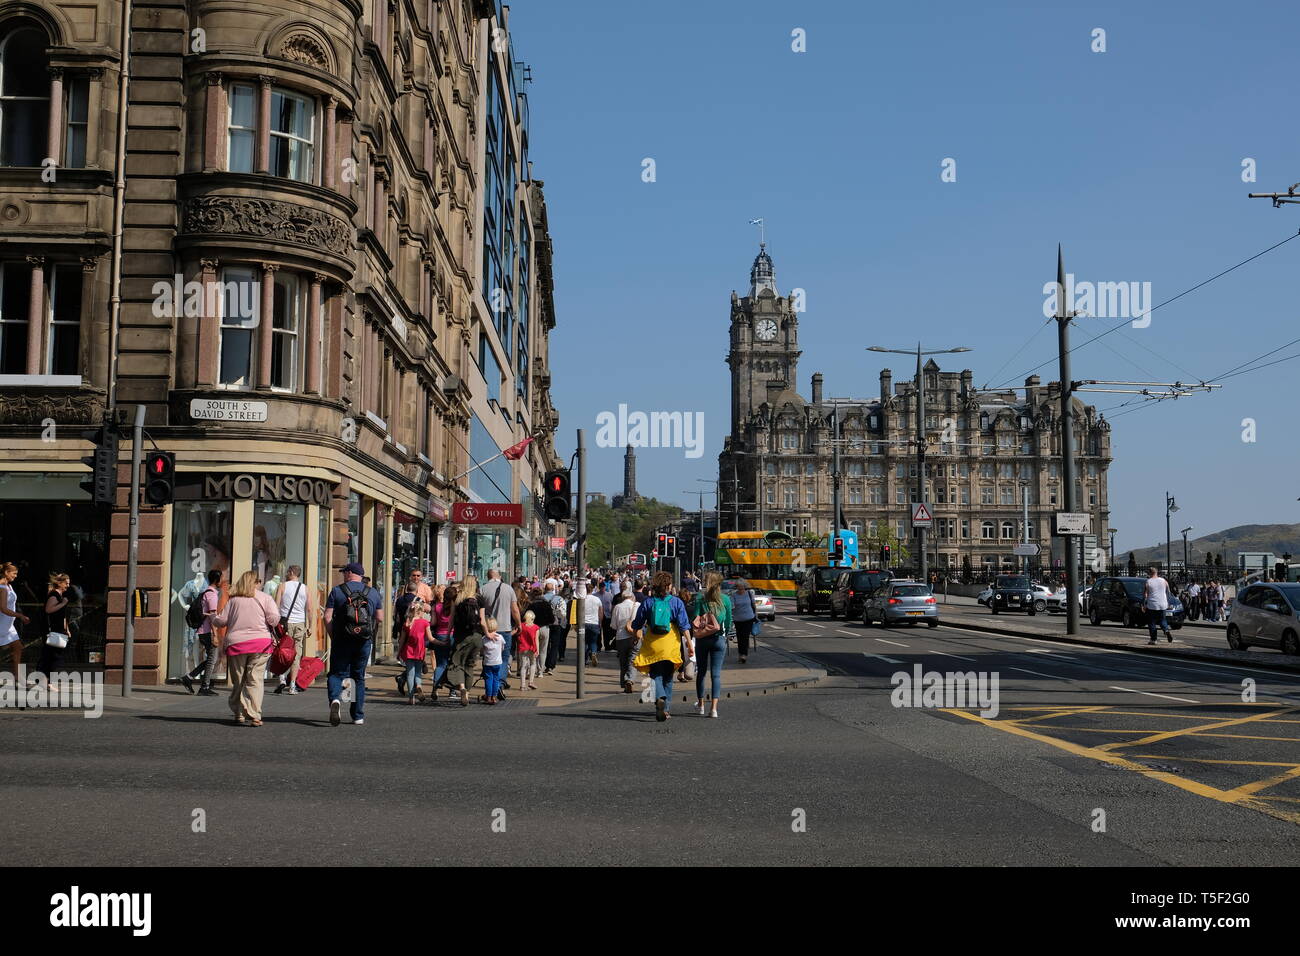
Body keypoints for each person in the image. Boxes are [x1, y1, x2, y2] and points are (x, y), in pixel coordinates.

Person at [211, 571, 279, 727]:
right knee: (255, 679)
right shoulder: (265, 598)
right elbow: (274, 620)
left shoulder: (233, 601)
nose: (260, 583)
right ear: (255, 582)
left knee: (238, 681)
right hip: (261, 644)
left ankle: (239, 713)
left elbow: (221, 621)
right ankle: (255, 714)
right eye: (259, 580)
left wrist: (212, 617)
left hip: (237, 644)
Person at [324, 562, 384, 726]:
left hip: (342, 639)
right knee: (358, 676)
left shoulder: (337, 591)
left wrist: (333, 636)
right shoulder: (372, 592)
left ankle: (335, 700)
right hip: (363, 640)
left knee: (336, 673)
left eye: (344, 572)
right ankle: (357, 715)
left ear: (350, 573)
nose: (343, 575)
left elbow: (327, 617)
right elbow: (380, 618)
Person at [631, 571, 692, 721]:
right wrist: (690, 645)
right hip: (670, 644)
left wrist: (635, 636)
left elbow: (637, 624)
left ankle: (659, 697)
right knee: (668, 677)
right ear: (669, 586)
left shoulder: (648, 602)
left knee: (655, 674)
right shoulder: (677, 602)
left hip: (653, 644)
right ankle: (666, 709)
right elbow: (684, 626)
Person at [692, 572, 733, 718]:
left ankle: (701, 705)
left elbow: (695, 618)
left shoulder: (700, 598)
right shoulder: (726, 600)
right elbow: (728, 621)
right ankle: (714, 709)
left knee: (701, 673)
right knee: (716, 675)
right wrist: (725, 634)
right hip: (719, 640)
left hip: (703, 639)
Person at [444, 576, 485, 707]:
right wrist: (488, 633)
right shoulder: (479, 599)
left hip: (461, 636)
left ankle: (461, 687)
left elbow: (451, 619)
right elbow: (483, 621)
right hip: (477, 635)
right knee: (470, 664)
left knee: (456, 663)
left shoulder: (457, 598)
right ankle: (467, 692)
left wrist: (447, 635)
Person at [182, 569, 224, 695]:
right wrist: (215, 635)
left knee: (211, 658)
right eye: (221, 578)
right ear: (217, 580)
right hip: (207, 631)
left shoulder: (207, 592)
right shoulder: (212, 594)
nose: (222, 580)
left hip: (203, 630)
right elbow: (212, 616)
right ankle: (204, 687)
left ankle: (189, 678)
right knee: (212, 659)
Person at [273, 565, 313, 695]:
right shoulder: (305, 588)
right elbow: (310, 609)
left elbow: (276, 606)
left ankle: (282, 679)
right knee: (296, 653)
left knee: (283, 650)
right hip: (300, 623)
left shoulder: (282, 586)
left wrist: (274, 623)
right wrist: (310, 626)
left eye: (287, 572)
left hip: (285, 623)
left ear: (291, 572)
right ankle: (292, 686)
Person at [479, 569, 519, 695]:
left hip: (489, 629)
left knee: (488, 658)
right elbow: (515, 610)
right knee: (504, 658)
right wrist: (518, 624)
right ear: (500, 576)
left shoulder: (483, 589)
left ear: (487, 576)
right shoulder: (508, 589)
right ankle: (500, 683)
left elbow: (479, 611)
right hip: (505, 629)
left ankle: (490, 688)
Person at [37, 573, 72, 682]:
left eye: (68, 583)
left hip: (58, 630)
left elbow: (63, 615)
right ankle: (45, 680)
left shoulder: (59, 596)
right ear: (60, 583)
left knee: (52, 655)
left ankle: (45, 679)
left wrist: (67, 629)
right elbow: (49, 610)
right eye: (66, 583)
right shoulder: (54, 595)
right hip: (52, 630)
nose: (68, 586)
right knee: (51, 656)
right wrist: (63, 603)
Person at [0, 562, 29, 680]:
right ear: (6, 573)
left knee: (18, 647)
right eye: (14, 573)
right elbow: (3, 608)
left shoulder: (8, 586)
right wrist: (20, 615)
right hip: (2, 623)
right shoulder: (2, 588)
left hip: (9, 625)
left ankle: (17, 676)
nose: (16, 576)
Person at [426, 584, 454, 704]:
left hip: (439, 635)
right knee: (452, 663)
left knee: (440, 664)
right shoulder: (453, 607)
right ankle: (452, 690)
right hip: (452, 635)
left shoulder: (436, 607)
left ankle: (435, 687)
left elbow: (433, 622)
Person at [400, 598, 430, 704]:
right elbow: (429, 638)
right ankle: (419, 686)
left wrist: (399, 652)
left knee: (410, 674)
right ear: (421, 611)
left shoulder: (407, 624)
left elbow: (402, 640)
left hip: (409, 650)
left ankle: (411, 697)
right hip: (420, 650)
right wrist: (441, 643)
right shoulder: (425, 623)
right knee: (418, 672)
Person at [611, 587, 640, 693]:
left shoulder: (617, 607)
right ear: (632, 597)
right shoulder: (637, 605)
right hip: (634, 636)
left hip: (620, 637)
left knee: (623, 661)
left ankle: (624, 682)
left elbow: (613, 625)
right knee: (632, 659)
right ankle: (630, 679)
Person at [524, 587, 554, 678]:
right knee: (543, 650)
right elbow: (552, 619)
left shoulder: (531, 605)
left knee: (530, 649)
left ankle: (529, 671)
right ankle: (540, 671)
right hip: (544, 628)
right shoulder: (546, 604)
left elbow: (525, 617)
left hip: (533, 629)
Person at [1143, 566, 1173, 645]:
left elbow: (1146, 594)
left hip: (1152, 605)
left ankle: (1153, 639)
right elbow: (1168, 592)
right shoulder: (1163, 581)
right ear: (1157, 572)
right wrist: (1167, 602)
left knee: (1152, 622)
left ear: (1149, 573)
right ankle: (1166, 630)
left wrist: (1144, 604)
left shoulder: (1148, 582)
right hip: (1163, 604)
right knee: (1162, 620)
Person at [731, 578, 757, 663]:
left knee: (745, 637)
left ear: (744, 586)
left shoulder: (749, 593)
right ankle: (740, 654)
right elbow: (732, 606)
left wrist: (756, 615)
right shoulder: (734, 595)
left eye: (741, 587)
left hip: (748, 618)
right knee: (739, 637)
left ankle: (744, 655)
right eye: (738, 586)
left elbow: (753, 604)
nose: (740, 588)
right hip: (738, 619)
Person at [481, 617, 506, 704]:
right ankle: (494, 696)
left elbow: (482, 651)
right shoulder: (500, 637)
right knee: (496, 679)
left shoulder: (484, 638)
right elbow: (503, 648)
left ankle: (488, 696)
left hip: (488, 663)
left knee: (488, 679)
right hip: (498, 662)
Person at [544, 584, 566, 674]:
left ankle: (544, 663)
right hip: (556, 624)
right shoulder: (559, 599)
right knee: (554, 645)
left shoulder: (541, 598)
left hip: (544, 624)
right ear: (553, 589)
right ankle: (551, 665)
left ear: (545, 589)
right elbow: (563, 613)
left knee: (545, 645)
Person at [580, 582, 603, 666]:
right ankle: (593, 652)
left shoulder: (582, 599)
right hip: (594, 623)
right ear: (592, 590)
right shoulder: (597, 599)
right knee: (593, 642)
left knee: (584, 642)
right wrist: (600, 623)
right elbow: (600, 612)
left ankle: (584, 660)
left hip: (584, 623)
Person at [517, 610, 540, 690]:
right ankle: (531, 682)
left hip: (522, 648)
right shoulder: (536, 627)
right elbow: (536, 639)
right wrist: (538, 650)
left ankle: (522, 685)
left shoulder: (521, 626)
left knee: (523, 666)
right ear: (533, 618)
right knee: (533, 664)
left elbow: (517, 634)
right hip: (532, 648)